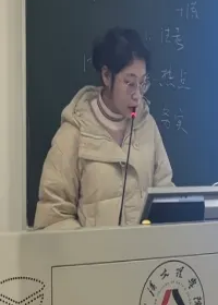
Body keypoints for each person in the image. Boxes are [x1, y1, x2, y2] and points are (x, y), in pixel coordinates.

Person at [34, 28, 173, 230]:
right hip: (92, 251)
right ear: (107, 76)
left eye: (142, 83)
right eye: (129, 83)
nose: (137, 95)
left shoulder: (147, 126)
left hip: (145, 250)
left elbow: (166, 197)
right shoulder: (75, 132)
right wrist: (93, 249)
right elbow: (53, 216)